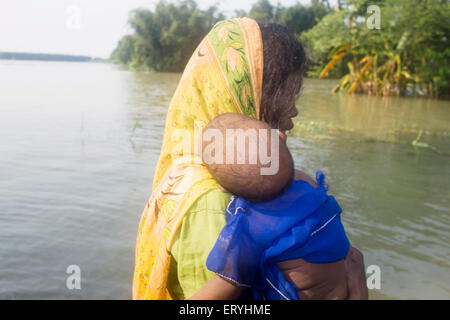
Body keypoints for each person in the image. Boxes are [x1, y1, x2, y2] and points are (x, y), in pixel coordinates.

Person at [132, 17, 368, 300]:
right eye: (286, 94)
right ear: (249, 94)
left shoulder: (221, 168)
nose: (293, 110)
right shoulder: (213, 202)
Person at [200, 113, 350, 300]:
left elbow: (224, 286)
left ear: (220, 187)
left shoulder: (248, 228)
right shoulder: (311, 188)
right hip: (340, 290)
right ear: (281, 137)